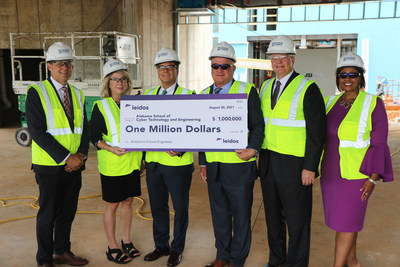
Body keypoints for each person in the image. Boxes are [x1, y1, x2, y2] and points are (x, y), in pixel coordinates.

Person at [258, 35, 326, 267]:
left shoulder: (307, 88)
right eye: (274, 58)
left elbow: (318, 132)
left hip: (295, 165)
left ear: (292, 60)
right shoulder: (266, 86)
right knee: (273, 219)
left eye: (283, 58)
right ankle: (276, 260)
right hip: (268, 162)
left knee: (297, 221)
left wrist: (311, 166)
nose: (278, 62)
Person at [320, 52, 393, 267]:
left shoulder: (373, 103)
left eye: (353, 74)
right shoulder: (329, 102)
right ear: (338, 78)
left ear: (360, 77)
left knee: (347, 224)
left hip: (357, 176)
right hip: (331, 173)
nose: (348, 78)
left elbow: (379, 144)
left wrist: (372, 178)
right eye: (343, 75)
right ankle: (352, 262)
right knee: (345, 223)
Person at [200, 41, 265, 267]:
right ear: (211, 67)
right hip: (214, 167)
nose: (219, 70)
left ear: (233, 68)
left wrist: (253, 150)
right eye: (215, 66)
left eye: (224, 66)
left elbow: (258, 126)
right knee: (219, 216)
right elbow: (200, 132)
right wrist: (202, 163)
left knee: (241, 217)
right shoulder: (204, 94)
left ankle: (237, 260)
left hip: (239, 167)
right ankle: (222, 256)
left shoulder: (247, 91)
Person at [25, 42, 89, 267]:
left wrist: (80, 156)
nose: (65, 68)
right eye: (60, 63)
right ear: (49, 66)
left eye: (69, 64)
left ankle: (62, 251)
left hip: (74, 165)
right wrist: (66, 157)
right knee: (48, 214)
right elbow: (37, 132)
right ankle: (44, 259)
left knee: (67, 212)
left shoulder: (77, 93)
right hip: (49, 166)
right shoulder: (37, 92)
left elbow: (83, 129)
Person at [143, 47, 195, 267]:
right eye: (162, 67)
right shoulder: (147, 96)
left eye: (170, 67)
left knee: (180, 208)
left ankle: (177, 248)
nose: (165, 71)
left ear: (177, 70)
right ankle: (161, 245)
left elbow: (197, 128)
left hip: (178, 164)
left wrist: (182, 146)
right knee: (157, 207)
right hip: (154, 163)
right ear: (157, 70)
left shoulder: (189, 96)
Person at [89, 59, 143, 264]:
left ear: (127, 82)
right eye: (115, 79)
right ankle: (112, 246)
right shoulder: (100, 106)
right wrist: (111, 148)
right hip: (112, 165)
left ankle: (126, 241)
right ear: (108, 83)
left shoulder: (135, 105)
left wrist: (142, 162)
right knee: (112, 205)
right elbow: (94, 137)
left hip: (132, 163)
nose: (120, 83)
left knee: (128, 202)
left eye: (123, 79)